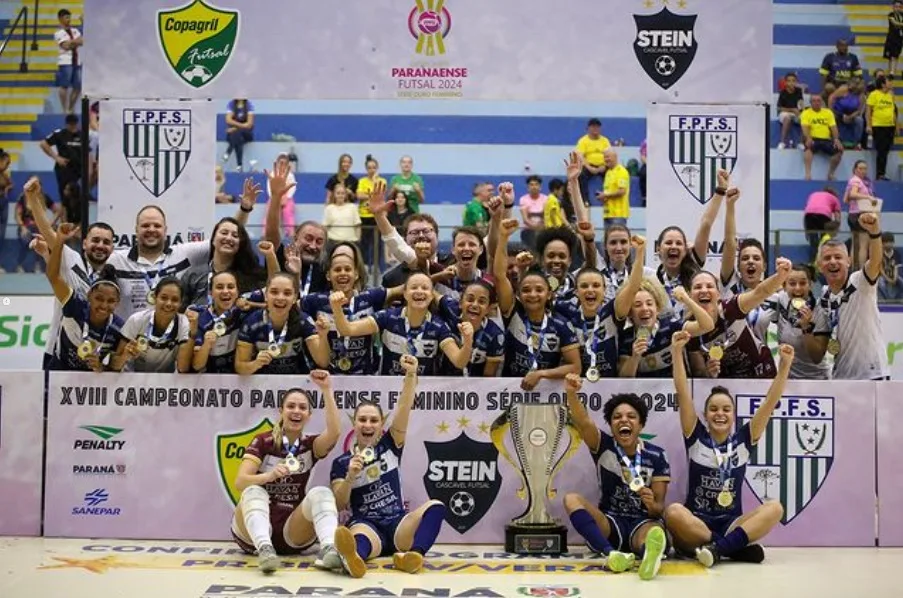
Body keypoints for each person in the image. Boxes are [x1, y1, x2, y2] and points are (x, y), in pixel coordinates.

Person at [666, 331, 791, 567]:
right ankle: (730, 547)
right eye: (714, 410)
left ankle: (716, 549)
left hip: (732, 522)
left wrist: (784, 366)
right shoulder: (695, 435)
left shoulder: (745, 439)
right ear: (705, 415)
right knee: (673, 512)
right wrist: (676, 352)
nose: (720, 414)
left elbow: (770, 402)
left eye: (726, 410)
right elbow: (682, 392)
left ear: (734, 416)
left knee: (775, 508)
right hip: (697, 525)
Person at [330, 355, 446, 577]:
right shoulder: (341, 462)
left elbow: (403, 408)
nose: (368, 424)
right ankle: (354, 559)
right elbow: (339, 503)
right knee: (358, 537)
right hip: (366, 523)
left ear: (381, 424)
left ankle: (413, 556)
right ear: (354, 424)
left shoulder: (390, 444)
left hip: (397, 523)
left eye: (373, 420)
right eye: (362, 420)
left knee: (436, 506)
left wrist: (411, 375)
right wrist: (350, 477)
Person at [231, 371, 344, 574]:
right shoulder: (263, 441)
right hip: (253, 532)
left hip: (291, 529)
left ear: (309, 415)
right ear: (281, 411)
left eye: (302, 407)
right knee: (253, 492)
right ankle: (265, 549)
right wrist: (269, 476)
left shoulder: (310, 445)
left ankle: (329, 549)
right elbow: (240, 482)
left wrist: (327, 389)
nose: (296, 411)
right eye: (291, 406)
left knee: (321, 493)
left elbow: (335, 432)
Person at [563, 375, 670, 581]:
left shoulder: (657, 455)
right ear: (611, 425)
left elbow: (659, 508)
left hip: (642, 521)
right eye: (617, 417)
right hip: (610, 522)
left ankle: (649, 554)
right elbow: (582, 421)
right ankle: (611, 554)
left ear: (641, 424)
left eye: (631, 416)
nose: (624, 420)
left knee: (654, 530)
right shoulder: (603, 445)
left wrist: (651, 503)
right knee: (571, 499)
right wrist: (571, 393)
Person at [494, 218, 581, 389]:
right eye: (526, 290)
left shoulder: (561, 324)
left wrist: (541, 374)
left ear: (549, 294)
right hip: (508, 393)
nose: (532, 295)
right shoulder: (512, 311)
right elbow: (499, 275)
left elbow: (575, 367)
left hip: (546, 397)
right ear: (518, 293)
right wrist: (503, 237)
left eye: (539, 290)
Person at [330, 272, 472, 376]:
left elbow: (459, 362)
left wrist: (468, 340)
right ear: (404, 293)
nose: (419, 291)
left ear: (431, 296)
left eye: (425, 288)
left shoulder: (439, 326)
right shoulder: (388, 317)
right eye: (414, 287)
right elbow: (347, 330)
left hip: (423, 396)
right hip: (387, 392)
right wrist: (336, 308)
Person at [812, 213, 888, 380]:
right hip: (841, 377)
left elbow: (875, 261)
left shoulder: (860, 282)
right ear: (819, 265)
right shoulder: (823, 299)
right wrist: (804, 327)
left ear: (848, 261)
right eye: (827, 258)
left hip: (872, 374)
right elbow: (817, 355)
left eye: (838, 257)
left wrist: (874, 232)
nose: (832, 262)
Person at [687, 260, 791, 379]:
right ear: (690, 295)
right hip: (727, 382)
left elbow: (760, 292)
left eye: (710, 286)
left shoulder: (731, 307)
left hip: (761, 372)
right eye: (697, 287)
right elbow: (699, 372)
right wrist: (709, 372)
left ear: (718, 294)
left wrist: (780, 276)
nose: (704, 290)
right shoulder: (690, 328)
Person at [44, 223, 124, 371]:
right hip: (59, 375)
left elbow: (114, 367)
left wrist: (102, 367)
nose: (104, 305)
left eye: (111, 301)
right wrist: (59, 241)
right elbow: (53, 276)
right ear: (89, 296)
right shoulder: (74, 305)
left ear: (118, 303)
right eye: (99, 299)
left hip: (88, 387)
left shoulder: (118, 327)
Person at [235, 273, 328, 376]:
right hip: (263, 386)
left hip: (297, 383)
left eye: (287, 293)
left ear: (294, 298)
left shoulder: (303, 321)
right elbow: (240, 367)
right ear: (266, 295)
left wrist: (323, 336)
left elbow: (323, 362)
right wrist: (255, 364)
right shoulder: (251, 323)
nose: (280, 298)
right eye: (274, 292)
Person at [111, 276, 191, 373]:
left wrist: (192, 334)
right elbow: (114, 366)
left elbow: (183, 368)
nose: (169, 303)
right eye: (164, 298)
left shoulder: (184, 323)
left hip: (166, 382)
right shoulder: (137, 320)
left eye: (174, 300)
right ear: (154, 298)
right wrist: (124, 356)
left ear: (181, 303)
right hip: (132, 379)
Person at [843, 160, 879, 269]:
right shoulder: (856, 181)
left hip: (852, 215)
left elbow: (845, 199)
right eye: (860, 168)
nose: (863, 171)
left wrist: (855, 204)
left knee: (855, 244)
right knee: (863, 245)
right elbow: (853, 194)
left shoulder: (852, 181)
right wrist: (867, 197)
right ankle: (861, 271)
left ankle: (853, 269)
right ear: (855, 169)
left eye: (865, 169)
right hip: (861, 215)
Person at [865, 75, 897, 180]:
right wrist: (869, 125)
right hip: (878, 126)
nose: (891, 83)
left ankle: (882, 173)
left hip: (890, 126)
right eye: (888, 81)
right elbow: (868, 112)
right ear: (883, 84)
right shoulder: (874, 95)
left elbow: (893, 111)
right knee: (881, 150)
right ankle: (880, 174)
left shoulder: (891, 94)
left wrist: (895, 125)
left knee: (886, 150)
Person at [54, 9, 82, 114]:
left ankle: (71, 107)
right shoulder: (58, 33)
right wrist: (75, 42)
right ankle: (64, 108)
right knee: (64, 85)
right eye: (66, 17)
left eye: (69, 17)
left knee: (78, 86)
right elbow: (65, 46)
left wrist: (71, 43)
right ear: (60, 19)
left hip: (77, 61)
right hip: (65, 61)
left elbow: (82, 41)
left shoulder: (75, 30)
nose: (68, 20)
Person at [803, 187, 842, 262]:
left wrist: (806, 231)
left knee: (813, 242)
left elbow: (807, 210)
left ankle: (812, 263)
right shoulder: (834, 198)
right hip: (823, 215)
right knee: (825, 240)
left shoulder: (813, 194)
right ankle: (823, 260)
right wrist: (837, 227)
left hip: (809, 215)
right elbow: (837, 215)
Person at [223, 99, 254, 171]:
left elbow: (249, 124)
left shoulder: (249, 104)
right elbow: (228, 120)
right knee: (238, 138)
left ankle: (228, 152)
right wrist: (241, 126)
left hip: (247, 134)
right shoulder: (231, 104)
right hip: (234, 135)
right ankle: (239, 166)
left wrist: (234, 128)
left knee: (237, 134)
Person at [777, 73, 804, 149]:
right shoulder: (782, 92)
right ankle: (782, 142)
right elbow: (779, 108)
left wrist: (800, 112)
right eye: (789, 81)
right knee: (787, 118)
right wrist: (792, 109)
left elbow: (800, 104)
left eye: (793, 81)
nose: (791, 83)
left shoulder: (799, 91)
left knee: (805, 119)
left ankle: (801, 143)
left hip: (795, 113)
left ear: (796, 82)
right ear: (785, 82)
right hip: (784, 113)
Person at [884, 1, 903, 76]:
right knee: (890, 57)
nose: (897, 8)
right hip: (891, 38)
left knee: (896, 56)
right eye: (896, 6)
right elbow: (894, 23)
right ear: (893, 7)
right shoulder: (891, 15)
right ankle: (891, 72)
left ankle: (893, 71)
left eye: (899, 7)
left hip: (899, 38)